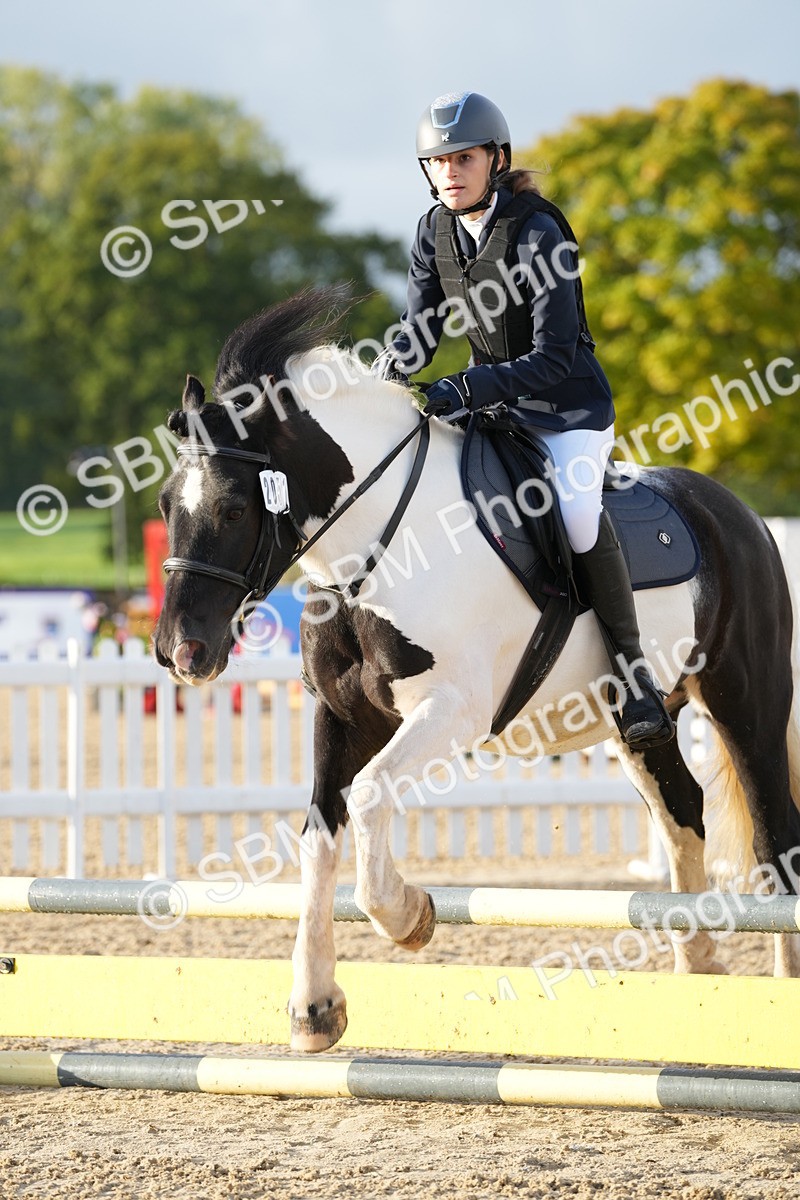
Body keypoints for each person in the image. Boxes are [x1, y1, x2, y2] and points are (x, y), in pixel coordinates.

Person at [373, 90, 675, 750]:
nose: (449, 172)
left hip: (568, 410)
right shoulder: (433, 230)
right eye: (437, 162)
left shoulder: (540, 230)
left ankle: (633, 677)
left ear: (496, 159)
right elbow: (420, 333)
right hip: (498, 412)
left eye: (464, 158)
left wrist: (470, 384)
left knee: (572, 512)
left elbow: (554, 354)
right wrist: (379, 375)